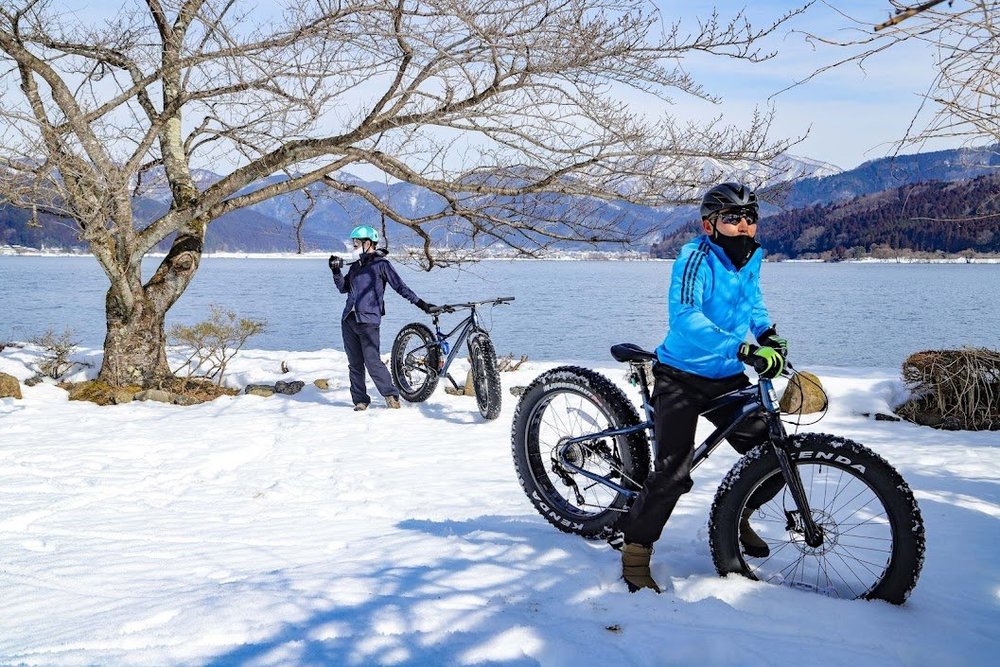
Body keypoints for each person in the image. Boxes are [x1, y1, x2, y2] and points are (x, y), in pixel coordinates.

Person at [614, 182, 789, 593]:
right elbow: (686, 317)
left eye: (750, 218)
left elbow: (754, 303)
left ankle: (739, 513)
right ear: (709, 225)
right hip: (681, 378)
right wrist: (741, 347)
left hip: (727, 376)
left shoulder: (751, 259)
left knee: (774, 453)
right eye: (732, 218)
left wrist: (768, 335)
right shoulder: (694, 258)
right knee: (674, 473)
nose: (744, 226)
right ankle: (635, 549)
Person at [329, 225, 437, 411]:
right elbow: (343, 288)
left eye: (356, 243)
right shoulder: (355, 266)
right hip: (349, 319)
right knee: (354, 363)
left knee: (372, 361)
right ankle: (360, 400)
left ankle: (390, 396)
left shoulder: (381, 265)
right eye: (353, 242)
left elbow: (400, 287)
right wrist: (336, 271)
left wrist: (421, 303)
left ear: (368, 243)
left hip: (369, 320)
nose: (353, 246)